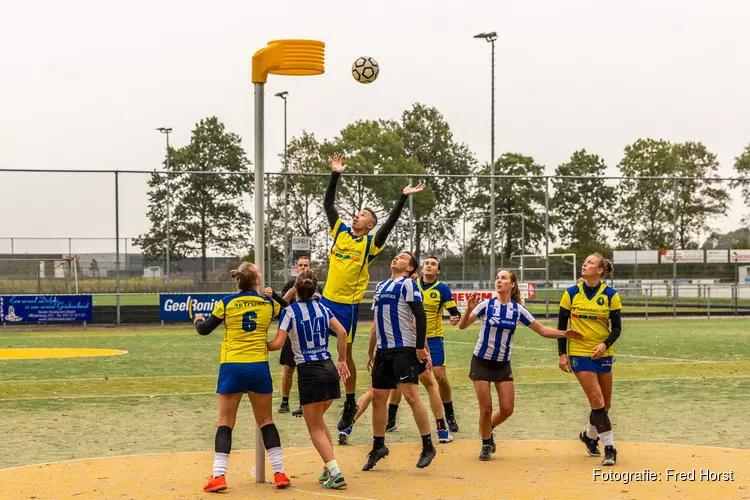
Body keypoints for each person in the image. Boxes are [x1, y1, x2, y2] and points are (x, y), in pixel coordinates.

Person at [321, 154, 425, 433]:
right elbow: (328, 204)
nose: (358, 215)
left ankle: (350, 402)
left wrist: (403, 198)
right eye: (358, 213)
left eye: (364, 215)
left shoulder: (370, 243)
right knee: (314, 349)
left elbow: (389, 224)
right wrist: (335, 174)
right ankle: (318, 393)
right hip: (326, 299)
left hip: (347, 305)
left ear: (369, 225)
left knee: (347, 353)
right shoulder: (340, 232)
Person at [458, 269, 582, 461]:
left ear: (512, 284)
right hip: (481, 361)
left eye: (504, 278)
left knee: (507, 409)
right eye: (497, 278)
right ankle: (486, 444)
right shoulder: (485, 305)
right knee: (486, 409)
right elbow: (462, 325)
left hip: (502, 364)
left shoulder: (517, 309)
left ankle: (487, 428)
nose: (499, 281)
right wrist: (468, 309)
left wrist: (565, 334)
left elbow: (541, 330)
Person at [193, 262, 291, 492]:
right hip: (258, 366)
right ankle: (279, 473)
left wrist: (197, 319)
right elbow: (289, 310)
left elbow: (205, 329)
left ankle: (218, 476)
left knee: (225, 423)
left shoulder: (227, 303)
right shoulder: (267, 304)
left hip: (232, 366)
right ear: (257, 282)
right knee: (266, 421)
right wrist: (275, 296)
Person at [268, 270, 351, 490]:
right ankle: (328, 469)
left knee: (314, 428)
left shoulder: (290, 312)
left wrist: (259, 344)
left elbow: (277, 344)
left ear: (295, 288)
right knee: (320, 424)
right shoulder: (323, 308)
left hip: (309, 372)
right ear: (314, 289)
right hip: (329, 368)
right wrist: (342, 360)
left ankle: (336, 471)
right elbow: (342, 332)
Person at [362, 252, 437, 471]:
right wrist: (371, 351)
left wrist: (420, 347)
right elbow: (376, 323)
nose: (396, 258)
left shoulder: (409, 284)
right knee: (378, 397)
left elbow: (420, 316)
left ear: (411, 269)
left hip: (403, 348)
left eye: (403, 257)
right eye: (396, 256)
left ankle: (428, 446)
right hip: (384, 350)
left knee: (411, 395)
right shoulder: (381, 286)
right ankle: (378, 446)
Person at [557, 253, 622, 466]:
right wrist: (563, 354)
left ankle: (589, 436)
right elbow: (561, 327)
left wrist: (605, 345)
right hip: (579, 353)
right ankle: (610, 448)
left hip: (602, 354)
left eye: (590, 263)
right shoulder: (571, 293)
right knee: (596, 400)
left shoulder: (611, 295)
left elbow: (617, 328)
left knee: (605, 404)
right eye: (584, 262)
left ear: (600, 270)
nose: (585, 264)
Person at [386, 256, 461, 435]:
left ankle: (449, 415)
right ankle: (391, 419)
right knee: (399, 380)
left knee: (440, 377)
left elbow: (454, 312)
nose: (429, 266)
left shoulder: (442, 289)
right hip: (410, 339)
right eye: (426, 263)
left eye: (433, 264)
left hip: (433, 339)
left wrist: (454, 318)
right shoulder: (412, 284)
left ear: (438, 271)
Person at [277, 255, 323, 417]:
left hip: (310, 334)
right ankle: (285, 400)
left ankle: (305, 402)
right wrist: (293, 291)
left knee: (307, 370)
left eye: (306, 265)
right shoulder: (290, 285)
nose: (303, 268)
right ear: (296, 268)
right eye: (300, 265)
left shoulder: (317, 288)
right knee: (289, 368)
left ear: (310, 268)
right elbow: (281, 305)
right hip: (292, 334)